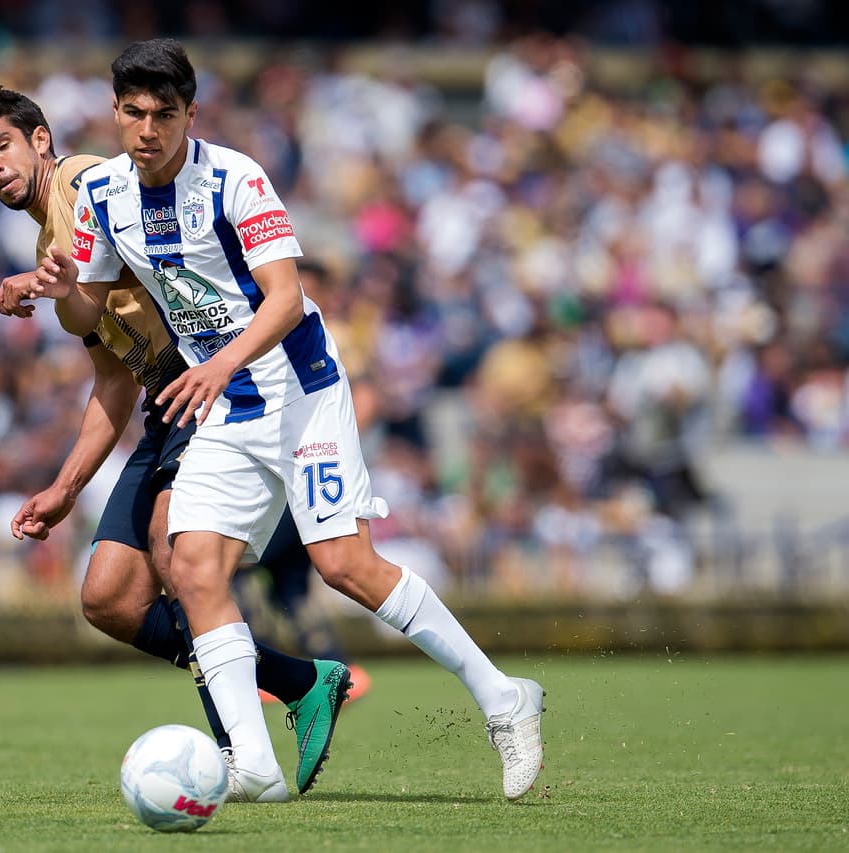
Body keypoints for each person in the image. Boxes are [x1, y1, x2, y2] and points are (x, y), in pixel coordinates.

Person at [31, 38, 546, 803]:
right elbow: (91, 307)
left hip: (299, 388)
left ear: (189, 115)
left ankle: (505, 698)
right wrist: (57, 286)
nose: (147, 129)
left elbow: (284, 297)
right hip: (229, 401)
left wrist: (215, 363)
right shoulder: (104, 193)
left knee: (344, 564)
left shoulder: (236, 177)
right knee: (194, 564)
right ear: (114, 113)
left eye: (163, 114)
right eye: (133, 113)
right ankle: (255, 765)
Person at [0, 85, 351, 799]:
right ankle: (300, 679)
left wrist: (52, 284)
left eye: (2, 146)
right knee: (107, 598)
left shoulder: (87, 185)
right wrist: (64, 488)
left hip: (212, 378)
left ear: (40, 140)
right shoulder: (51, 243)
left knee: (176, 550)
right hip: (163, 401)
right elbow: (112, 383)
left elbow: (160, 265)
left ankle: (242, 757)